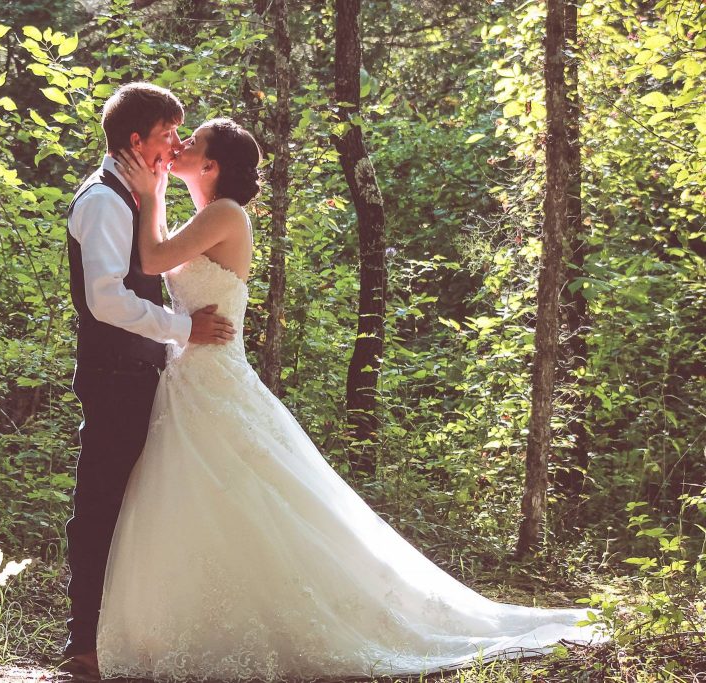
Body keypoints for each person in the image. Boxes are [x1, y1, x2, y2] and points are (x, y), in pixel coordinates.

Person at [96, 117, 607, 680]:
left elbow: (149, 260)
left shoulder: (224, 214)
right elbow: (162, 252)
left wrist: (147, 194)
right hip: (194, 374)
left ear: (212, 166)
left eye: (191, 145)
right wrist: (158, 196)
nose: (180, 146)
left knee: (250, 497)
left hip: (211, 373)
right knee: (214, 498)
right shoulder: (209, 215)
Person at [61, 85, 236, 680]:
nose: (175, 145)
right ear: (136, 140)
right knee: (102, 504)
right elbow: (107, 300)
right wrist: (183, 328)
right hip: (114, 373)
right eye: (168, 134)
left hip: (139, 372)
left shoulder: (130, 195)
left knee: (132, 506)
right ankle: (84, 642)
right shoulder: (106, 202)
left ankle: (116, 635)